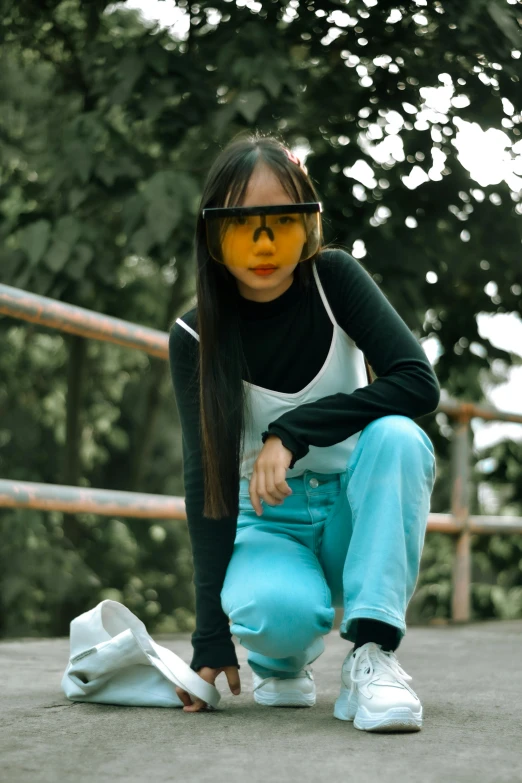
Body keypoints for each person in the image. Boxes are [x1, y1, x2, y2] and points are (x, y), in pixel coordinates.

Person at [168, 130, 438, 732]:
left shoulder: (334, 280)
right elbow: (203, 480)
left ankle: (373, 656)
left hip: (352, 512)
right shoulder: (196, 336)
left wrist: (292, 432)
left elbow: (419, 382)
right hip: (270, 524)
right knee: (276, 615)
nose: (264, 242)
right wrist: (210, 636)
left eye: (283, 221)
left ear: (309, 224)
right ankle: (283, 662)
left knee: (398, 436)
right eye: (243, 224)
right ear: (213, 234)